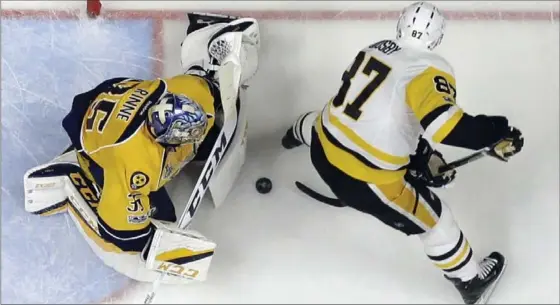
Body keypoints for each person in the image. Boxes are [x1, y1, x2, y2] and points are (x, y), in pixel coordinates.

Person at [281, 2, 523, 304]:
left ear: (399, 25)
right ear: (436, 38)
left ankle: (292, 135)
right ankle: (471, 281)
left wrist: (422, 157)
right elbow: (447, 129)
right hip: (362, 182)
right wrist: (496, 132)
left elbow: (380, 113)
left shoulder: (375, 49)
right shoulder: (430, 67)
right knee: (438, 222)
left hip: (320, 144)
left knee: (321, 121)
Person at [23, 12, 260, 284]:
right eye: (188, 135)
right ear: (167, 140)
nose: (196, 134)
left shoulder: (187, 93)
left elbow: (202, 81)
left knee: (205, 142)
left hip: (113, 105)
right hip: (96, 139)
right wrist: (153, 244)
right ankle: (77, 169)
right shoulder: (136, 166)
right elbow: (120, 233)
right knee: (162, 216)